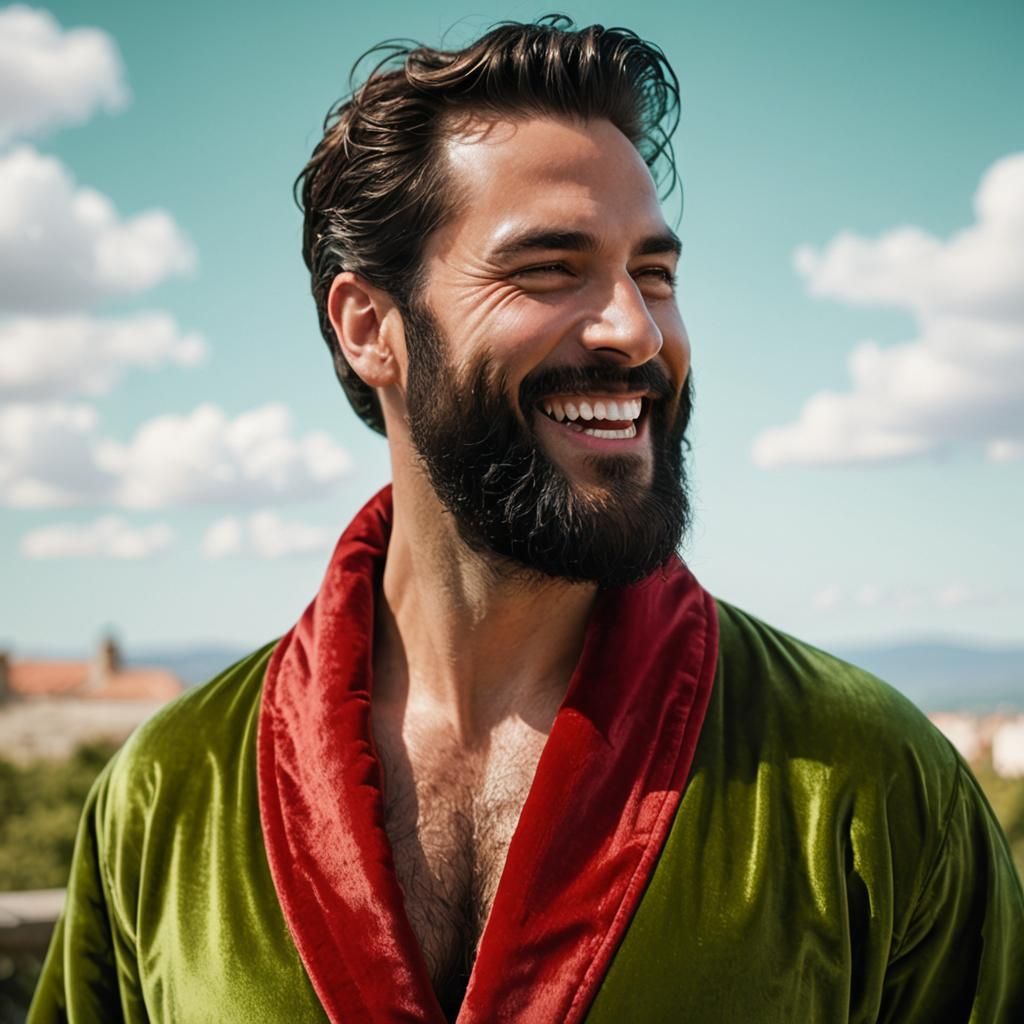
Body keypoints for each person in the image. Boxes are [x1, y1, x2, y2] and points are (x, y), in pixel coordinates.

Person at [30, 16, 1023, 1024]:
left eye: (655, 274)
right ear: (370, 327)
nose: (636, 330)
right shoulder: (166, 797)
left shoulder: (869, 784)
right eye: (550, 267)